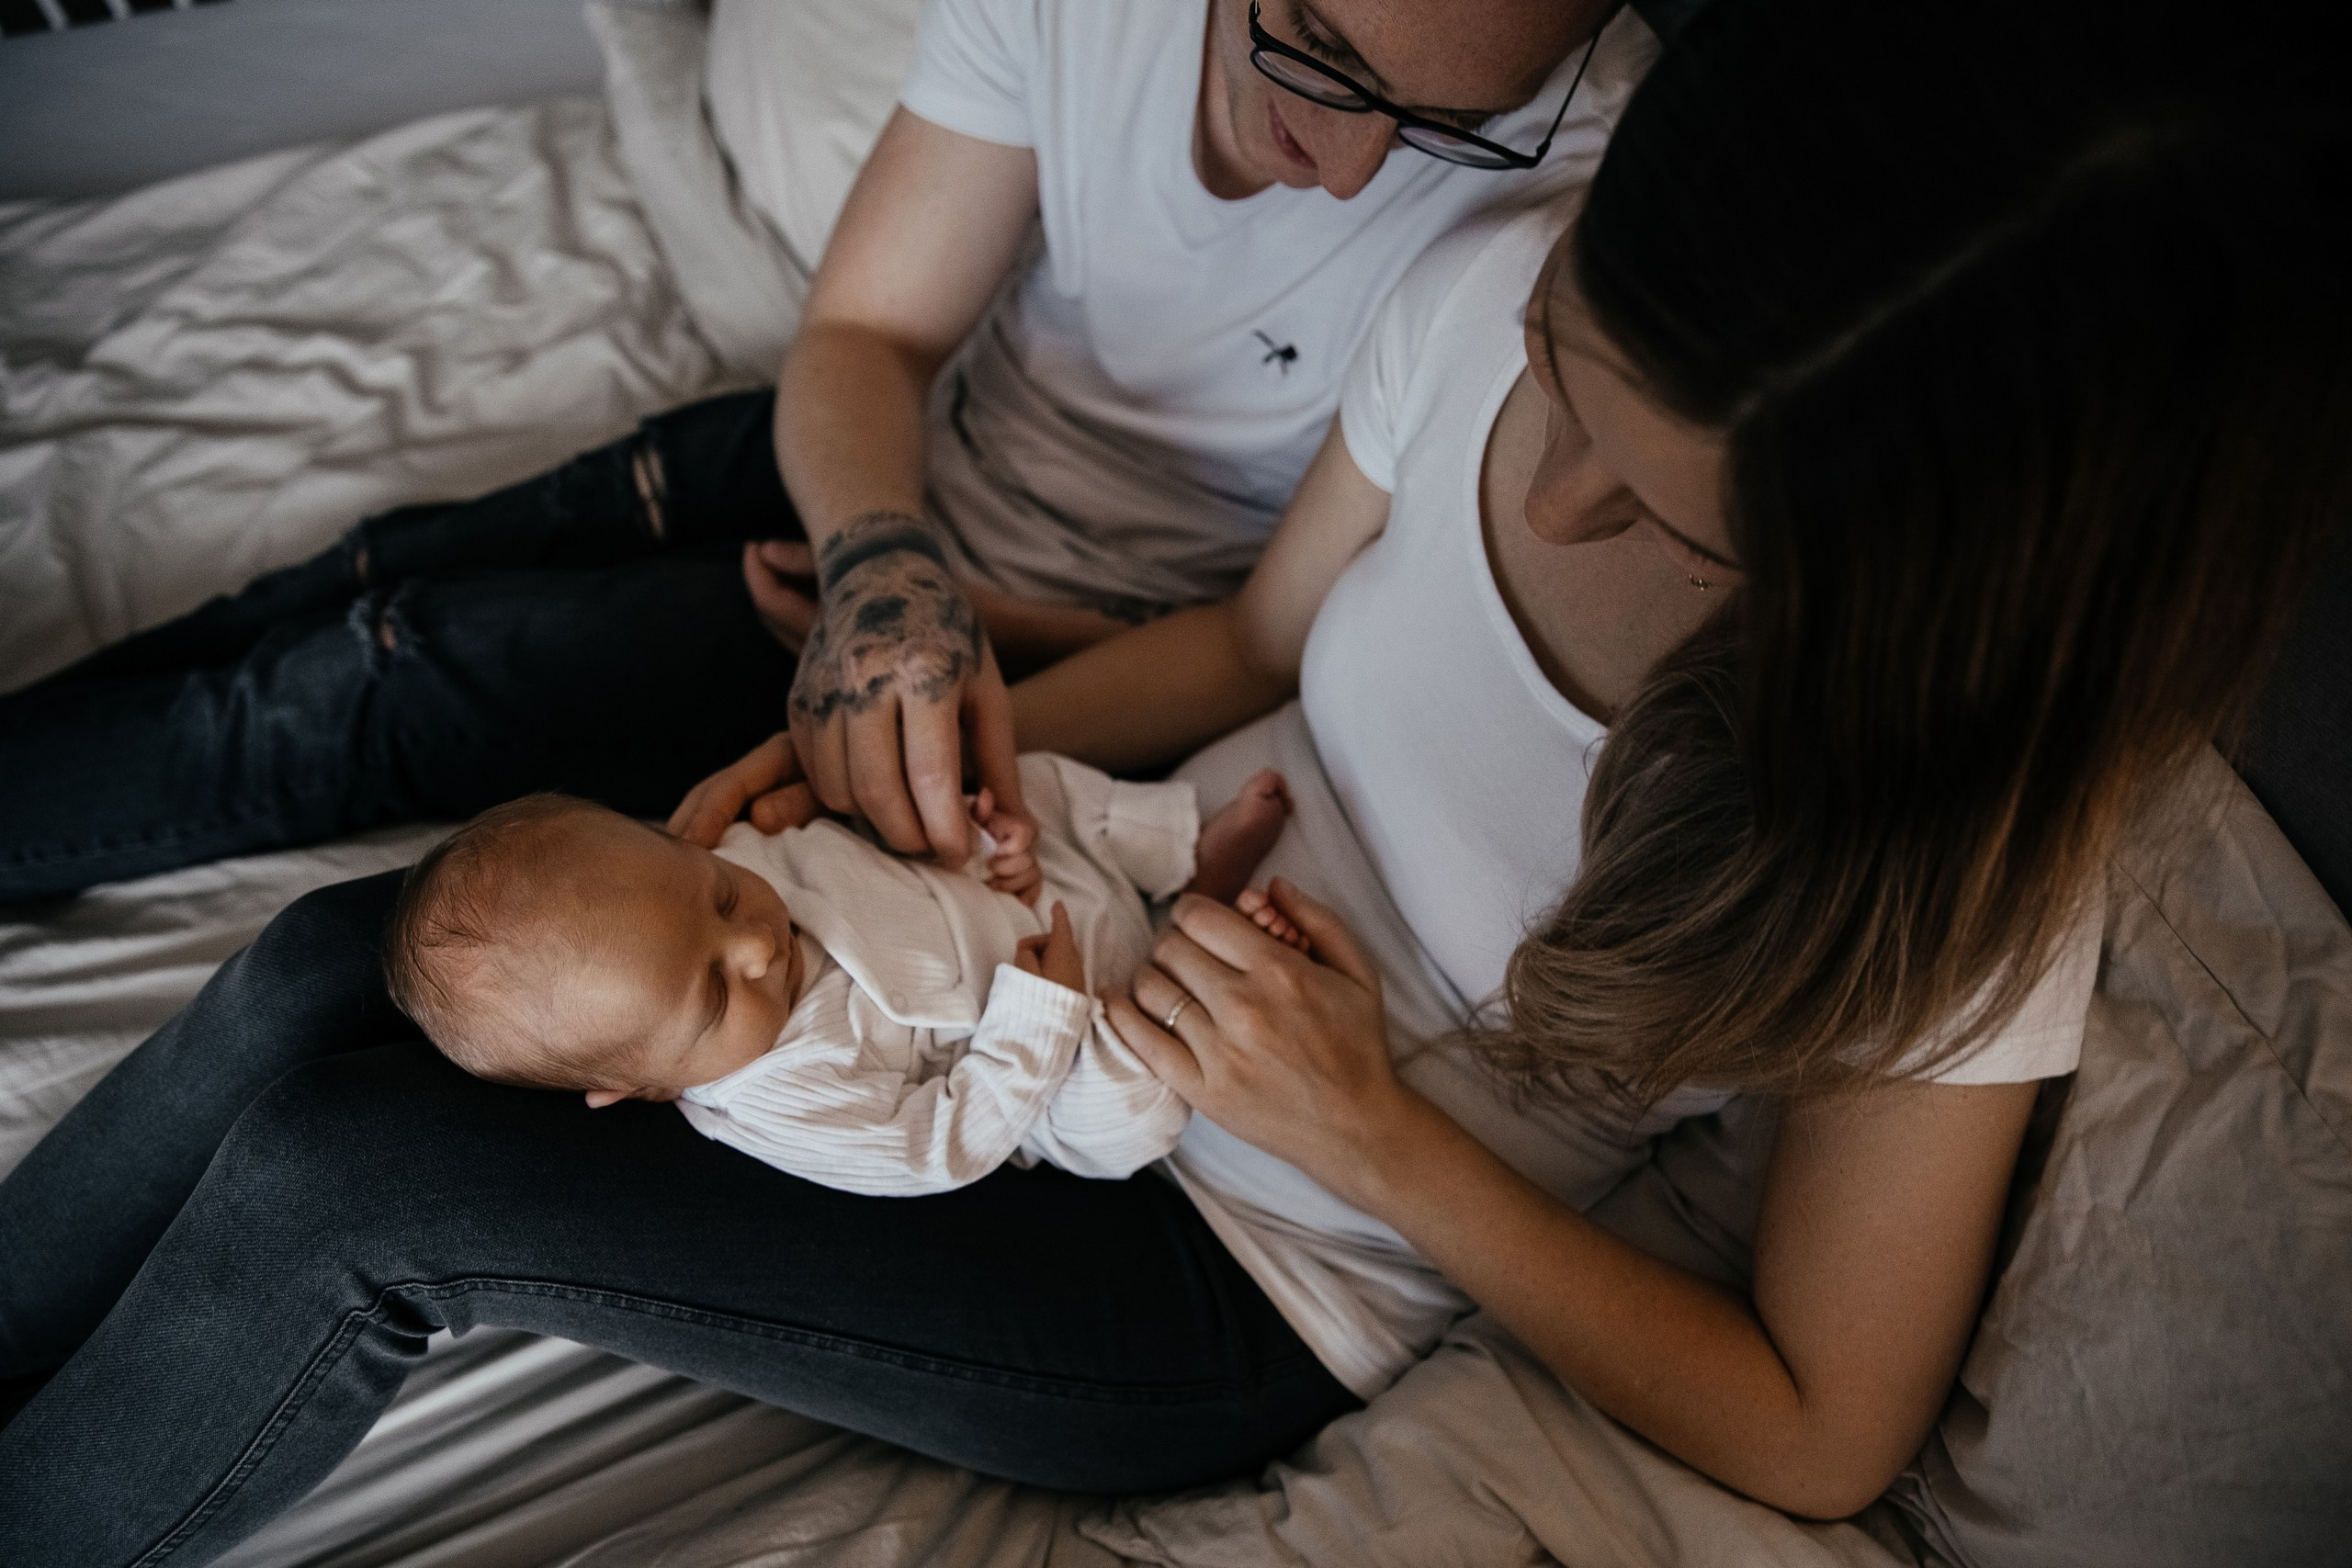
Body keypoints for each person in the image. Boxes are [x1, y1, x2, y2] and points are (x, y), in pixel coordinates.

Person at [6, 0, 2347, 1559]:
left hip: (1221, 1249)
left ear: (1897, 575)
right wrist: (895, 739)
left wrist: (1375, 1132)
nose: (1544, 506)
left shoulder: (1957, 849)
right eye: (1557, 386)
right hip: (1037, 907)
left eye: (1657, 514)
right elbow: (1247, 640)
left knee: (348, 1178)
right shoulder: (1491, 279)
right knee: (350, 950)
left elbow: (1823, 1423)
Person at [0, 0, 1646, 903]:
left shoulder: (1596, 196)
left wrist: (945, 667)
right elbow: (868, 339)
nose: (1357, 172)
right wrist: (887, 560)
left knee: (360, 685)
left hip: (1093, 645)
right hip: (887, 471)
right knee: (360, 575)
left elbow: (1282, 638)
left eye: (1441, 122)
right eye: (1318, 51)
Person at [379, 763, 1303, 1194]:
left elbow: (872, 850)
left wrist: (985, 837)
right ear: (638, 1086)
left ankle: (1183, 850)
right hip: (1060, 1051)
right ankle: (1194, 960)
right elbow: (933, 1146)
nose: (753, 950)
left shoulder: (726, 855)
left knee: (1034, 781)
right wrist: (1040, 1020)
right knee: (1137, 1109)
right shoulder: (780, 1099)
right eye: (710, 995)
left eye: (723, 899)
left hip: (1022, 891)